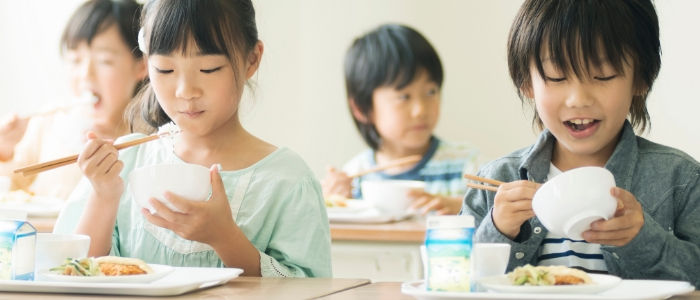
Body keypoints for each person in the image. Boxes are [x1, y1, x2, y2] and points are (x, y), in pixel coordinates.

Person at [54, 0, 331, 278]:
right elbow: (75, 272)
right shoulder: (126, 163)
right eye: (165, 70)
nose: (186, 91)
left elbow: (312, 288)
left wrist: (225, 238)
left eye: (209, 69)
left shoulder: (288, 181)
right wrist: (103, 196)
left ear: (251, 60)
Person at [462, 0, 699, 285]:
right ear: (527, 83)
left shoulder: (681, 179)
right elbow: (456, 280)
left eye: (603, 76)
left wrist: (643, 240)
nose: (578, 99)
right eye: (557, 77)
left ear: (641, 78)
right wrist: (499, 230)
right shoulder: (496, 182)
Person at [321, 24, 479, 215]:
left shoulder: (469, 166)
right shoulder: (355, 179)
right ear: (362, 108)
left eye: (430, 92)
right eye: (404, 97)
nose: (420, 110)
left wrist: (464, 209)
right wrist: (334, 203)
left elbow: (498, 225)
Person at [0, 0, 146, 200]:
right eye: (75, 60)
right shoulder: (47, 123)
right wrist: (5, 151)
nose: (86, 73)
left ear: (142, 67)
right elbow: (11, 189)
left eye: (105, 61)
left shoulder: (150, 135)